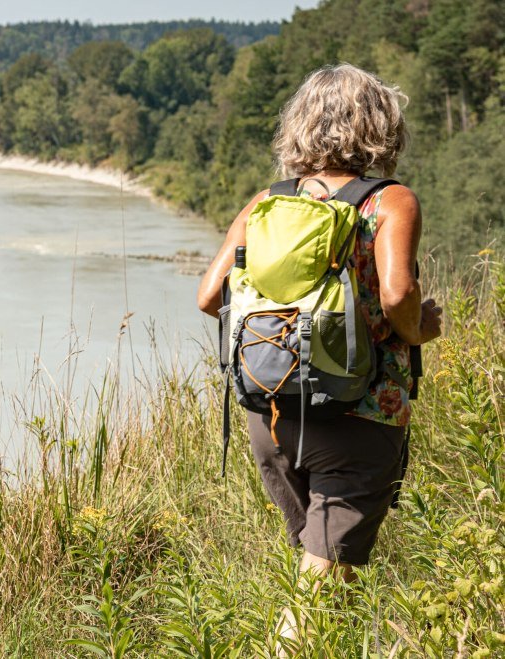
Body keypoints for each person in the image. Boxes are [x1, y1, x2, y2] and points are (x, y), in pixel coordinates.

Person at [195, 64, 443, 644]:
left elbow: (210, 297)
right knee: (318, 589)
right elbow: (399, 293)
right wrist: (416, 331)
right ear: (379, 124)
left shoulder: (268, 204)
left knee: (331, 573)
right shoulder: (389, 202)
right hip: (359, 414)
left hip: (272, 411)